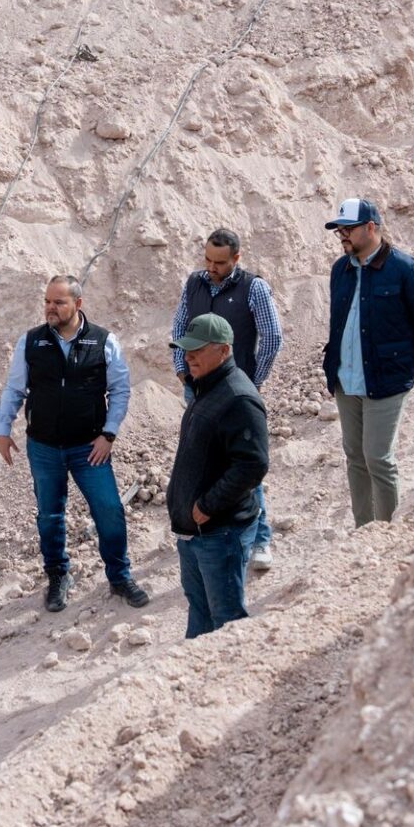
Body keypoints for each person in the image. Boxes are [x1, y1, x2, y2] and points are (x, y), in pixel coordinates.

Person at [0, 275, 150, 612]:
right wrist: (2, 429)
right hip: (44, 447)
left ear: (77, 304)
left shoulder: (103, 341)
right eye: (48, 301)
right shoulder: (31, 342)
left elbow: (121, 389)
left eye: (59, 302)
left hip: (89, 447)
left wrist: (108, 434)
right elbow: (15, 389)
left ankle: (120, 577)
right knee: (49, 515)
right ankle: (58, 576)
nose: (51, 308)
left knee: (109, 509)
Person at [322, 197, 414, 527]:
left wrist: (408, 366)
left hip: (386, 381)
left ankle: (388, 533)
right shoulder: (341, 270)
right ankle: (364, 532)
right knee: (355, 458)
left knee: (378, 458)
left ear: (371, 228)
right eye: (340, 231)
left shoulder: (406, 270)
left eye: (348, 230)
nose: (343, 236)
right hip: (346, 380)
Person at [170, 228, 283, 571]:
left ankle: (261, 538)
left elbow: (273, 337)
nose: (212, 267)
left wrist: (251, 381)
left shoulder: (253, 288)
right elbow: (179, 328)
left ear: (237, 258)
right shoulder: (195, 283)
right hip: (199, 390)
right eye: (208, 259)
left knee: (242, 465)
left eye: (220, 262)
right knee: (200, 460)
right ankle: (200, 526)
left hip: (234, 394)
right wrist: (181, 368)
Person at [166, 314, 269, 639]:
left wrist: (208, 505)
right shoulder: (207, 389)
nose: (188, 356)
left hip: (219, 533)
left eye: (197, 350)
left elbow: (252, 465)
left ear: (223, 351)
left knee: (226, 623)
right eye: (186, 349)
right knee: (200, 611)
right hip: (195, 533)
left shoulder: (238, 399)